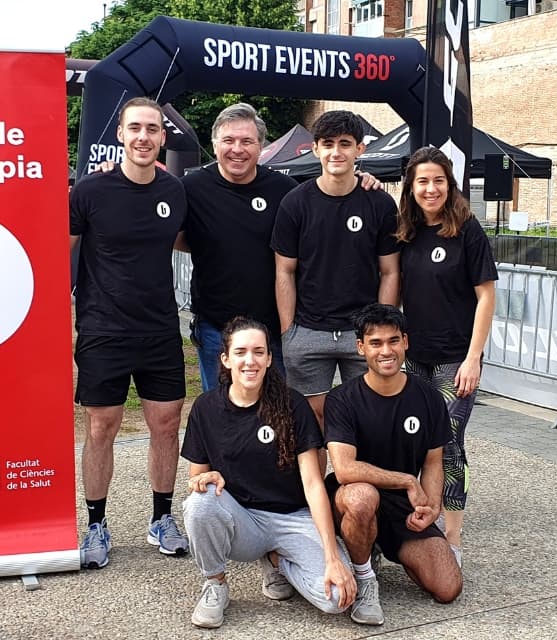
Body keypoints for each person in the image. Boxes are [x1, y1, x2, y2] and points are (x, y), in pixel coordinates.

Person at [179, 103, 381, 392]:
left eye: (247, 141)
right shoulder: (190, 187)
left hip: (276, 327)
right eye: (229, 140)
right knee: (222, 414)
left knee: (282, 416)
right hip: (217, 327)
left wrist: (361, 180)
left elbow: (328, 193)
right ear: (214, 143)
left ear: (261, 146)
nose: (237, 149)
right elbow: (162, 228)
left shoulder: (285, 190)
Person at [70, 97, 189, 569]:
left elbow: (190, 238)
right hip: (103, 328)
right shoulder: (90, 191)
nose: (143, 136)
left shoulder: (175, 191)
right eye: (135, 128)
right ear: (120, 134)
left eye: (153, 129)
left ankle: (161, 518)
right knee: (102, 426)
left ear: (163, 137)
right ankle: (96, 524)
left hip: (160, 329)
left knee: (166, 425)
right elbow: (64, 251)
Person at [181, 316, 356, 629]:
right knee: (200, 503)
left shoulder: (293, 404)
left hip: (292, 516)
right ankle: (215, 583)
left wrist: (331, 556)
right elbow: (197, 478)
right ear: (225, 359)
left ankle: (277, 560)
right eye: (241, 352)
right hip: (244, 522)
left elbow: (313, 484)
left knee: (336, 599)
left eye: (259, 352)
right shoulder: (206, 408)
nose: (250, 361)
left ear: (270, 358)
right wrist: (207, 478)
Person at [324, 303, 462, 626]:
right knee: (362, 498)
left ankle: (381, 545)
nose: (386, 351)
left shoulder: (428, 399)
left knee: (448, 586)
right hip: (352, 495)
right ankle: (364, 577)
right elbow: (344, 469)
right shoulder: (342, 399)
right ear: (361, 348)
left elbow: (432, 462)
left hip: (400, 505)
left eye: (393, 341)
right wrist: (407, 481)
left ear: (405, 343)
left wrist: (430, 507)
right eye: (375, 343)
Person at [395, 147, 498, 565]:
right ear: (411, 186)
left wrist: (474, 357)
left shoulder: (467, 230)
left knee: (449, 441)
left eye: (438, 180)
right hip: (415, 356)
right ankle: (421, 516)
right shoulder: (405, 230)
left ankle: (451, 539)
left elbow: (486, 295)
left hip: (456, 358)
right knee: (415, 439)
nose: (430, 188)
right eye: (422, 181)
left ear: (449, 183)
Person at [272, 110, 400, 428]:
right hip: (308, 331)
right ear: (315, 149)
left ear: (360, 149)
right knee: (309, 422)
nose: (336, 152)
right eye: (327, 143)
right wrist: (290, 332)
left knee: (369, 418)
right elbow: (284, 271)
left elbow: (390, 271)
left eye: (345, 143)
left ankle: (358, 479)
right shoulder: (295, 203)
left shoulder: (379, 204)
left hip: (362, 332)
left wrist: (380, 327)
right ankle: (314, 481)